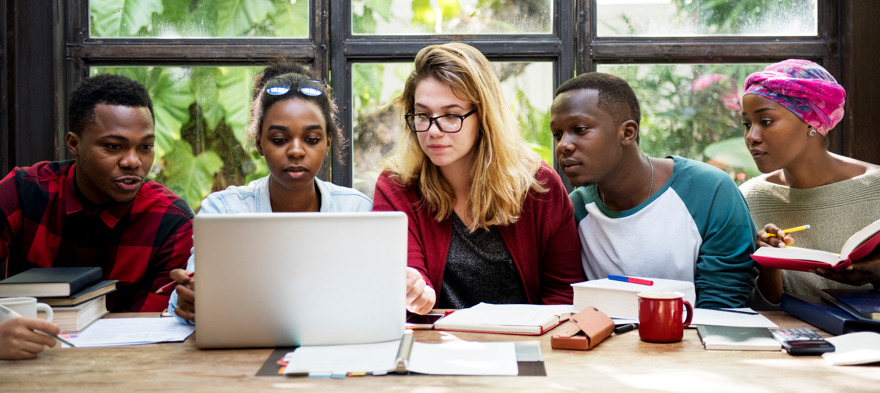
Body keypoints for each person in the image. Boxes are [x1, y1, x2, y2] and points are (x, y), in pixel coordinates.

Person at [372, 43, 585, 315]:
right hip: (435, 348)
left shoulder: (538, 186)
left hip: (523, 346)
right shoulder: (397, 187)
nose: (433, 131)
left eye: (451, 115)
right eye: (423, 115)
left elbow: (564, 296)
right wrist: (416, 294)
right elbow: (409, 278)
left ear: (483, 117)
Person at [0, 74, 194, 359]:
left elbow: (153, 331)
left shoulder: (171, 221)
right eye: (113, 146)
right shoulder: (20, 192)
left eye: (145, 146)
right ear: (74, 144)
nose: (133, 161)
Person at [168, 62, 372, 324]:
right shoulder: (224, 211)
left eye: (311, 140)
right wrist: (190, 299)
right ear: (259, 144)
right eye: (278, 139)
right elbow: (185, 302)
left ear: (328, 142)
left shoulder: (357, 211)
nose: (296, 151)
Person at [550, 72, 756, 309]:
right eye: (557, 134)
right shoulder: (574, 210)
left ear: (627, 133)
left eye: (580, 128)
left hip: (694, 340)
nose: (563, 145)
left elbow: (722, 307)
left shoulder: (711, 192)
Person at [738, 59, 880, 309]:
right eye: (747, 124)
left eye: (766, 121)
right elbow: (756, 307)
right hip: (787, 341)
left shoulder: (875, 188)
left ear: (811, 122)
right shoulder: (750, 198)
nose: (752, 137)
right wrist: (769, 266)